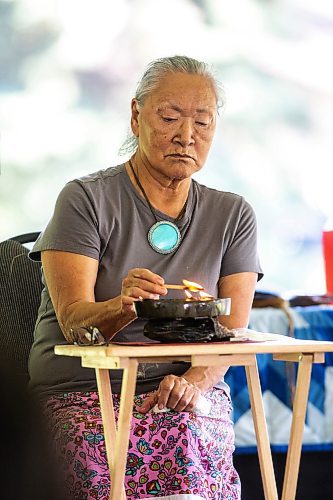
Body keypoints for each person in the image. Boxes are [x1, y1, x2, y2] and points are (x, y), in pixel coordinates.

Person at [29, 55, 263, 499]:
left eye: (202, 122)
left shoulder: (233, 215)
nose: (186, 135)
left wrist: (192, 385)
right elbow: (74, 322)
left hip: (181, 390)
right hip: (84, 391)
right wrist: (122, 305)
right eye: (170, 116)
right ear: (136, 116)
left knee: (192, 431)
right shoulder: (85, 199)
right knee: (91, 448)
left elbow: (231, 331)